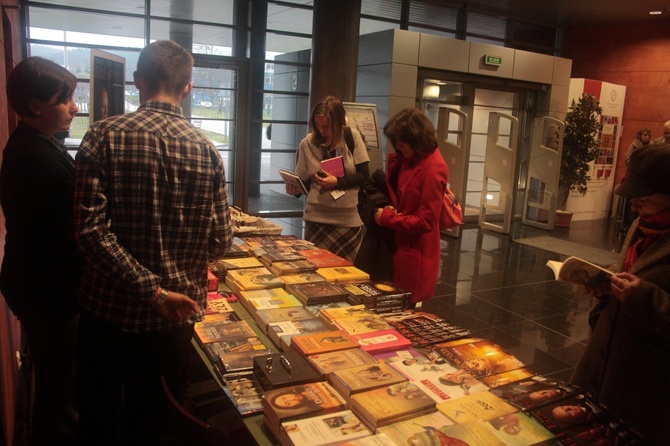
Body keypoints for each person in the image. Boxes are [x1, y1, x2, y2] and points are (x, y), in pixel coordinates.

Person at [73, 40, 233, 445]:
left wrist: (149, 289)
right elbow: (220, 240)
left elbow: (90, 231)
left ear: (137, 80)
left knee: (99, 419)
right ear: (187, 88)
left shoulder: (101, 135)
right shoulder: (208, 151)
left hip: (108, 315)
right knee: (156, 424)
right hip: (172, 321)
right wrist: (164, 288)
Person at [0, 57, 82, 446]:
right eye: (65, 100)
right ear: (36, 106)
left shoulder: (30, 143)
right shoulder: (38, 159)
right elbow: (79, 229)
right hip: (47, 291)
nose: (75, 108)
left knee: (53, 380)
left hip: (32, 283)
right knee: (59, 389)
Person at [571, 143, 670, 444]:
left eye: (644, 200)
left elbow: (645, 287)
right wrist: (605, 281)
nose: (634, 207)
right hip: (610, 360)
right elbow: (634, 267)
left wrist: (641, 296)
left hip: (649, 380)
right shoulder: (645, 224)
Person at [374, 108, 449, 304]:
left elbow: (425, 222)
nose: (398, 146)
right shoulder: (411, 159)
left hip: (415, 252)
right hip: (401, 243)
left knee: (404, 307)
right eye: (395, 141)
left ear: (416, 138)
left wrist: (387, 218)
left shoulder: (433, 168)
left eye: (402, 141)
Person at [288, 96, 370, 262]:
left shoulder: (351, 137)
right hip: (316, 218)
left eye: (326, 126)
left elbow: (363, 176)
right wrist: (295, 189)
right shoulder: (307, 143)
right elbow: (303, 182)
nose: (322, 130)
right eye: (317, 126)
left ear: (338, 123)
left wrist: (338, 182)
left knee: (346, 273)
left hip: (347, 220)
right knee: (314, 271)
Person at [354, 168, 396, 281]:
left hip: (398, 244)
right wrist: (382, 206)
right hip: (378, 241)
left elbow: (423, 221)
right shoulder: (380, 180)